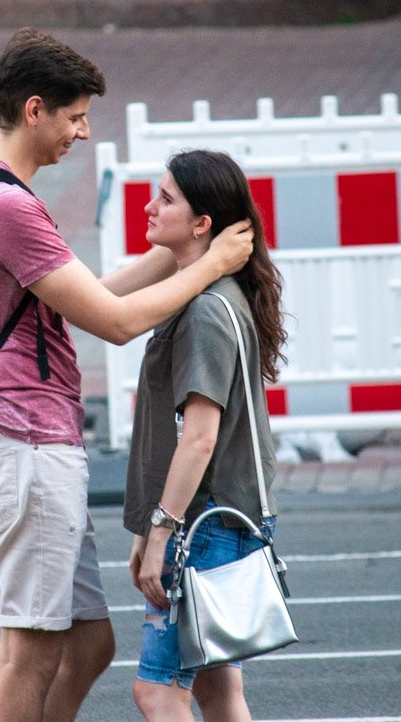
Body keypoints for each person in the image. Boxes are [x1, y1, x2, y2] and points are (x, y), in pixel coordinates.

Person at [0, 29, 255, 722]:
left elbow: (92, 295)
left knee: (87, 643)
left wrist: (183, 252)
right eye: (75, 116)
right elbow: (113, 323)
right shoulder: (8, 206)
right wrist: (207, 266)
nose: (82, 133)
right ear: (34, 110)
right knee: (29, 648)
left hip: (26, 437)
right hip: (22, 440)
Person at [123, 149, 287, 722]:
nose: (149, 205)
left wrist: (162, 531)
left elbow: (198, 438)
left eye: (166, 198)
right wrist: (153, 524)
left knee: (159, 689)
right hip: (217, 517)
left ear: (202, 225)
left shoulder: (205, 312)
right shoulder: (204, 293)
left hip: (207, 524)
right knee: (218, 689)